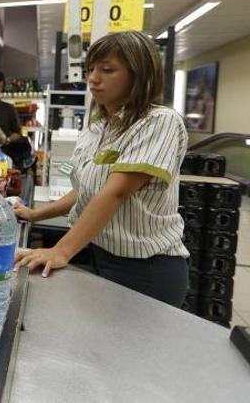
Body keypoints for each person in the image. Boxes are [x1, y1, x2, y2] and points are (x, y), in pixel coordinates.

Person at [12, 31, 189, 307]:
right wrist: (35, 214)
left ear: (139, 75)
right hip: (99, 254)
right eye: (90, 69)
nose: (93, 78)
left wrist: (61, 250)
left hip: (146, 270)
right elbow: (86, 191)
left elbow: (114, 193)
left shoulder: (159, 122)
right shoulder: (97, 128)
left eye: (107, 70)